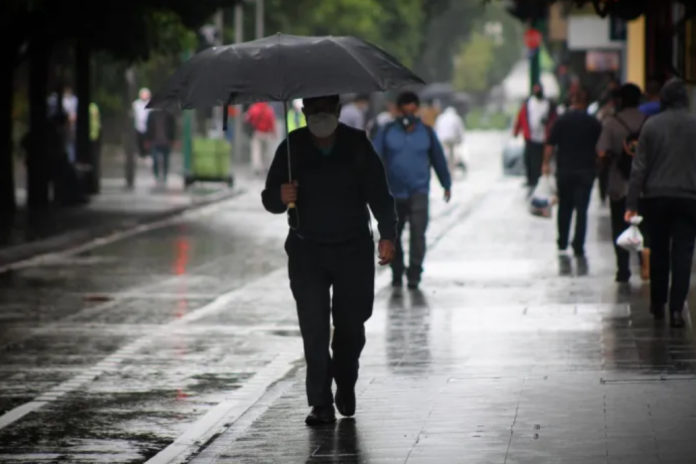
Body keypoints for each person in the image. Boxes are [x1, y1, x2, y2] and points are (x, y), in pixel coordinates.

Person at [262, 95, 397, 425]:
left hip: (353, 250)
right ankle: (320, 401)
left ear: (338, 111)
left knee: (351, 326)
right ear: (305, 112)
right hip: (307, 251)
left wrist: (388, 234)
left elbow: (379, 192)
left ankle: (346, 381)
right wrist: (281, 196)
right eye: (314, 110)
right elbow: (269, 199)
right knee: (314, 329)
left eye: (326, 110)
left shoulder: (357, 144)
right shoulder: (291, 148)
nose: (320, 116)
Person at [625, 78, 696, 328]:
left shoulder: (652, 126)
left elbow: (639, 168)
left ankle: (658, 304)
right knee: (683, 253)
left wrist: (631, 203)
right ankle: (677, 310)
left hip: (656, 198)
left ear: (663, 100)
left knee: (658, 252)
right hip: (689, 197)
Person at [373, 91, 452, 290]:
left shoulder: (426, 133)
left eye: (412, 109)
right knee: (394, 235)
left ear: (417, 109)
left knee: (418, 234)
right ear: (398, 111)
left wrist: (446, 184)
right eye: (404, 109)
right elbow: (373, 159)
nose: (409, 114)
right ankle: (397, 270)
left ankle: (415, 272)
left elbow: (438, 160)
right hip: (393, 194)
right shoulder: (387, 131)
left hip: (419, 192)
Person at [596, 83, 649, 283]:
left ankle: (623, 269)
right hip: (645, 186)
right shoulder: (648, 122)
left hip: (619, 183)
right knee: (645, 226)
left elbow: (602, 151)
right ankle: (645, 263)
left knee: (619, 226)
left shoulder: (612, 123)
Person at [542, 88, 602, 258]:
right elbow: (601, 147)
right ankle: (578, 244)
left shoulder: (561, 120)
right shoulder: (593, 122)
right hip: (585, 170)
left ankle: (562, 241)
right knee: (582, 210)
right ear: (586, 102)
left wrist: (546, 164)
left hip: (565, 171)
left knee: (565, 207)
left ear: (572, 101)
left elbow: (550, 144)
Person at [514, 83, 557, 190]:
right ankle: (531, 179)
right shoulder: (528, 103)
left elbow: (554, 119)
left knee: (542, 159)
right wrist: (516, 131)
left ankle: (540, 177)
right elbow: (521, 117)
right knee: (529, 158)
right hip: (531, 137)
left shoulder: (549, 104)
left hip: (544, 137)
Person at [145, 109, 177, 186]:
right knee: (155, 159)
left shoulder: (169, 114)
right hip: (154, 141)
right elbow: (148, 127)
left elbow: (173, 128)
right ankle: (156, 175)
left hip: (166, 141)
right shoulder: (152, 114)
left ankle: (165, 175)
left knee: (166, 159)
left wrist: (172, 139)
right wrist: (147, 140)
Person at [246, 102, 277, 176]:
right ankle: (266, 167)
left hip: (257, 133)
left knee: (256, 151)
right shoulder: (269, 109)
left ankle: (257, 168)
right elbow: (272, 122)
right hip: (267, 134)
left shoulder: (254, 108)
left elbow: (248, 119)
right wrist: (274, 133)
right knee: (265, 152)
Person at [435, 105, 466, 174]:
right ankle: (451, 169)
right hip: (452, 138)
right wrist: (461, 140)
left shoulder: (441, 117)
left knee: (444, 152)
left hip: (442, 138)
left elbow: (437, 128)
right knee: (451, 154)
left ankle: (444, 167)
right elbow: (460, 130)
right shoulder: (456, 118)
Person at [132, 88, 152, 159]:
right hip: (138, 126)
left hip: (148, 126)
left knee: (147, 141)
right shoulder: (136, 104)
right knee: (139, 140)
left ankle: (148, 154)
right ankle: (141, 154)